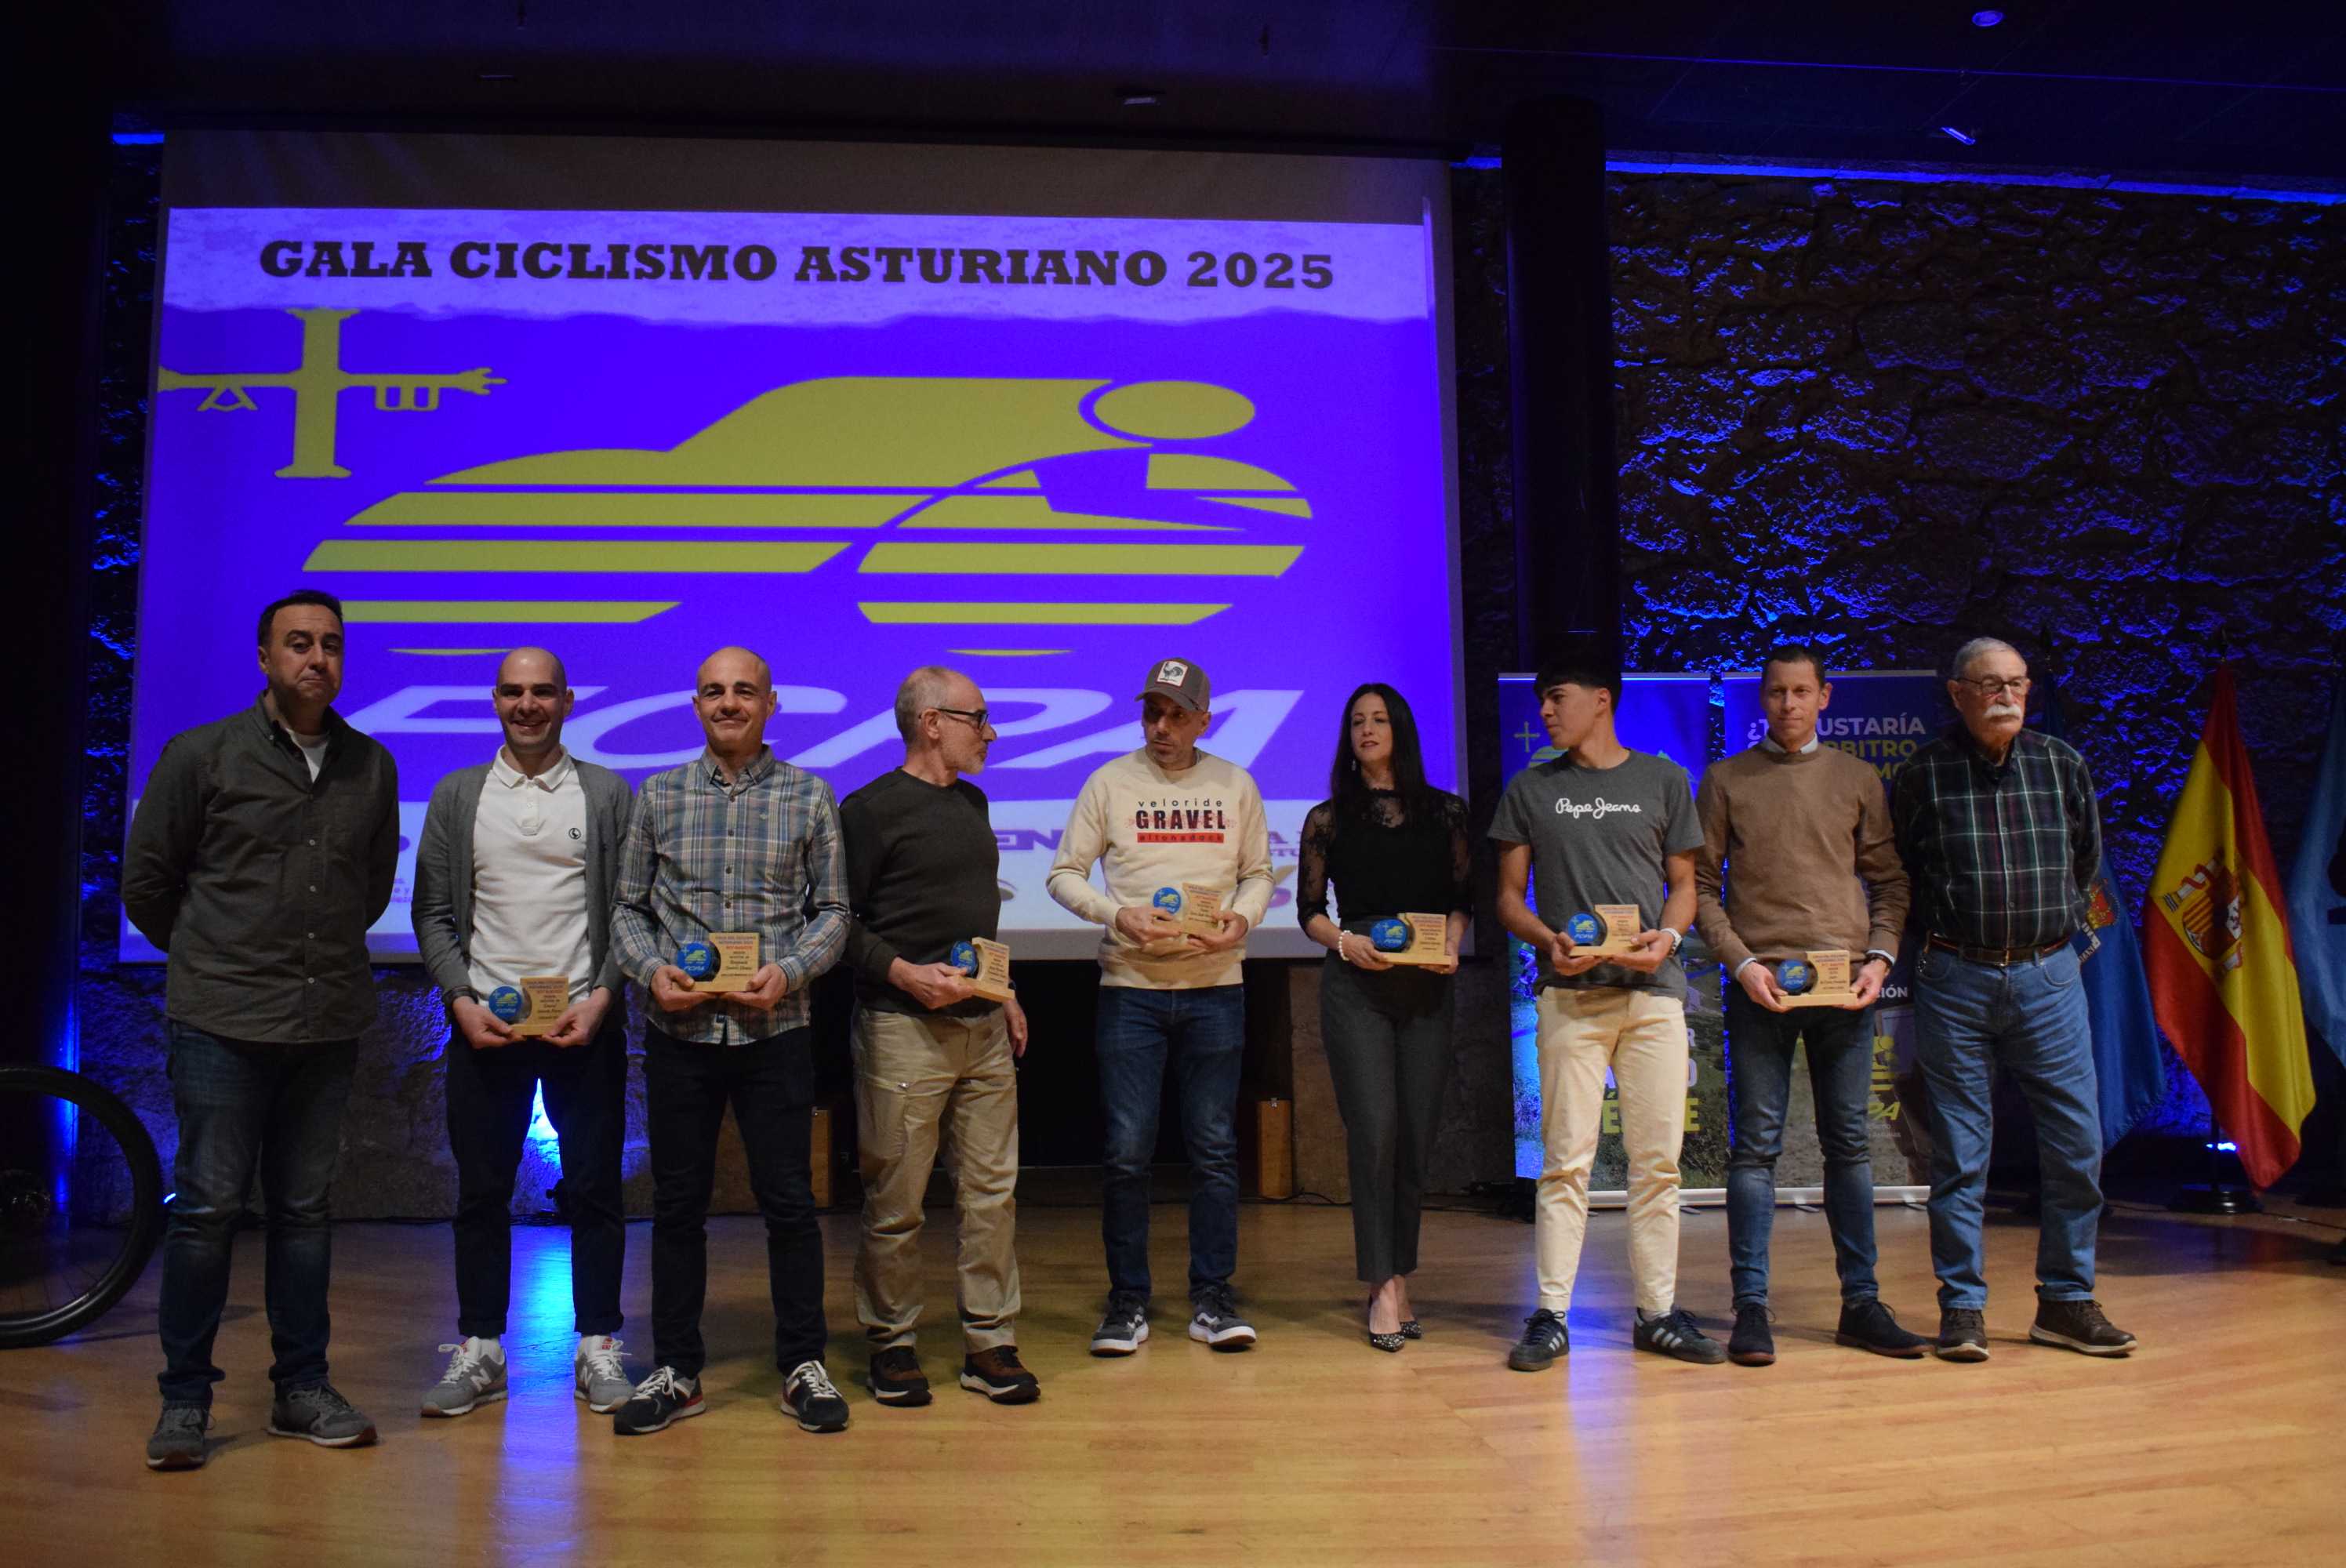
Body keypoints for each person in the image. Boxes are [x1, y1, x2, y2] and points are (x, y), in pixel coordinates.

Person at [122, 589, 399, 1469]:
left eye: (330, 645)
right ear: (263, 657)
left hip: (324, 1021)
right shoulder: (202, 754)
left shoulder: (371, 764)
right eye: (298, 643)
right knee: (205, 1211)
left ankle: (300, 1387)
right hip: (221, 1022)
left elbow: (369, 886)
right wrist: (219, 957)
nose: (316, 658)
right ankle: (184, 1399)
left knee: (305, 1213)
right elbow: (148, 882)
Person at [608, 646, 853, 1435]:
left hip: (773, 1027)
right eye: (713, 691)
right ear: (695, 703)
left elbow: (835, 912)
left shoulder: (810, 796)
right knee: (677, 1205)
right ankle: (677, 1369)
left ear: (770, 703)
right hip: (680, 1030)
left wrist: (788, 971)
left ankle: (801, 1364)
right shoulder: (659, 794)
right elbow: (626, 908)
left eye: (743, 691)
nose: (728, 703)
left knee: (789, 1203)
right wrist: (649, 971)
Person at [1891, 636, 2134, 1361]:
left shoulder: (2063, 765)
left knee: (2077, 1144)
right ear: (1957, 694)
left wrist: (2045, 933)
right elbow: (1902, 873)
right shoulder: (1922, 774)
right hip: (1954, 981)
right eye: (1989, 684)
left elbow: (2083, 862)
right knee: (1961, 1154)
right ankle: (1961, 1306)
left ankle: (2065, 1301)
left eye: (2017, 683)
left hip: (2049, 977)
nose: (2005, 695)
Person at [410, 647, 637, 1418]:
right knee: (479, 1192)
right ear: (495, 700)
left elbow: (630, 913)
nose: (528, 704)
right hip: (487, 1028)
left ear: (568, 701)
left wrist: (604, 996)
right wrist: (460, 998)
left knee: (597, 1189)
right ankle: (480, 1346)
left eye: (543, 692)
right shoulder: (458, 793)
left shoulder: (606, 792)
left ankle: (598, 1343)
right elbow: (434, 913)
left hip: (584, 1023)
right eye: (514, 691)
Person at [1694, 644, 1928, 1367]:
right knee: (1756, 1150)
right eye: (1775, 694)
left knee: (1849, 1147)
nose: (1788, 705)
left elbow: (1890, 882)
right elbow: (1700, 887)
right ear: (1760, 700)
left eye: (1801, 693)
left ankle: (1860, 1303)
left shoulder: (1858, 778)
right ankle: (1752, 1310)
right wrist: (1741, 965)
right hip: (1762, 989)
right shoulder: (1727, 780)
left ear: (1825, 697)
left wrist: (1881, 959)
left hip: (1845, 986)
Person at [1489, 653, 1723, 1369]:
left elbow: (1685, 884)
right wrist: (1545, 938)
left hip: (1653, 996)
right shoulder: (1531, 788)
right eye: (1540, 702)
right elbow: (1507, 897)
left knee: (1658, 1165)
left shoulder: (1661, 779)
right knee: (1566, 1163)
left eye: (1556, 697)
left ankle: (1656, 1313)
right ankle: (1552, 1314)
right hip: (1571, 998)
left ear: (1602, 701)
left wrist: (1670, 937)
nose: (1546, 713)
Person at [1048, 657, 1274, 1357]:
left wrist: (1244, 919)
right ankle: (1128, 1302)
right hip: (1132, 992)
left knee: (1212, 1151)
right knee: (1125, 1154)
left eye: (1177, 714)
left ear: (1205, 719)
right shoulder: (1109, 782)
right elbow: (1062, 874)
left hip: (1216, 986)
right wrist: (1116, 916)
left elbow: (1259, 874)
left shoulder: (1235, 784)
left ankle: (1212, 1296)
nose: (1161, 726)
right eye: (1152, 712)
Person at [839, 667, 1038, 1408]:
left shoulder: (975, 801)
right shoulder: (868, 811)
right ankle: (891, 1343)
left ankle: (990, 1342)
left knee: (992, 1194)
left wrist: (1003, 991)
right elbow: (837, 925)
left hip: (981, 1028)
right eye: (977, 719)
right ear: (931, 723)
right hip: (901, 1031)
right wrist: (903, 973)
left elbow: (972, 921)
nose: (988, 733)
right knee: (897, 1202)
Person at [1295, 684, 1469, 1351]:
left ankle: (1401, 1270)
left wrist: (1451, 943)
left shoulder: (1447, 812)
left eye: (1378, 719)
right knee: (1374, 1131)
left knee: (1415, 1137)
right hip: (1356, 982)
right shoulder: (1327, 818)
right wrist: (1343, 942)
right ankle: (1382, 1285)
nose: (1367, 730)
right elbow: (1309, 911)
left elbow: (1461, 897)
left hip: (1426, 983)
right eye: (1356, 722)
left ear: (1400, 727)